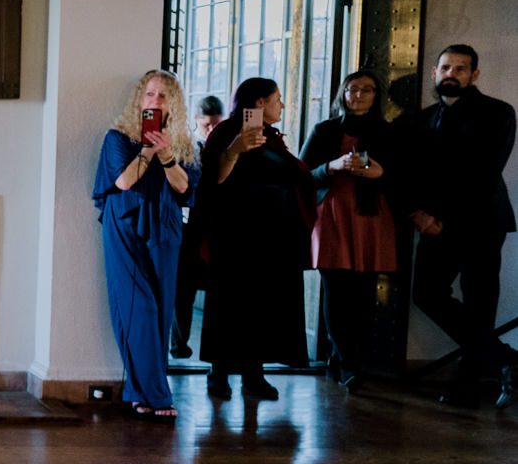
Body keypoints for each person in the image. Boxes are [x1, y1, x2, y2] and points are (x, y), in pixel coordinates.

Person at [408, 44, 517, 408]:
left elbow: (484, 170)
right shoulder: (421, 119)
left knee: (480, 302)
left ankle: (468, 386)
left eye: (460, 68)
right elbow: (411, 173)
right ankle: (505, 359)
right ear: (435, 72)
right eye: (445, 68)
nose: (451, 74)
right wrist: (417, 213)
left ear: (474, 75)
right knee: (426, 293)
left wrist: (440, 216)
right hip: (432, 223)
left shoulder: (498, 112)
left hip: (482, 221)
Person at [197, 77, 314, 401]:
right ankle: (219, 373)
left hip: (272, 237)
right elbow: (214, 180)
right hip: (235, 236)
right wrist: (235, 150)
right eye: (277, 99)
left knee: (263, 306)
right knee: (230, 304)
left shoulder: (270, 136)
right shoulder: (226, 132)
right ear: (259, 103)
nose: (282, 105)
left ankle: (254, 374)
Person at [92, 71, 200, 421]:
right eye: (150, 94)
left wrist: (166, 154)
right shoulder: (117, 137)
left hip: (165, 223)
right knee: (138, 308)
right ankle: (156, 393)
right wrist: (148, 151)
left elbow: (184, 187)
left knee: (162, 308)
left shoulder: (183, 143)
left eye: (163, 96)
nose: (155, 101)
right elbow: (123, 181)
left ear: (173, 105)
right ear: (139, 99)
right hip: (124, 221)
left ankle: (139, 393)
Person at [299, 70, 399, 392]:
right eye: (352, 89)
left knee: (365, 293)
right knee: (336, 289)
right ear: (342, 94)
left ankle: (349, 359)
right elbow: (302, 175)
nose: (358, 95)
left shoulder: (388, 132)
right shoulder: (325, 129)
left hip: (371, 216)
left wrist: (380, 174)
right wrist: (332, 166)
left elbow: (403, 178)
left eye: (367, 90)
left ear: (376, 96)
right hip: (333, 213)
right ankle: (347, 363)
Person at [171, 94, 223, 358]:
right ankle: (179, 344)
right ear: (196, 120)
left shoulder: (226, 147)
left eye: (216, 124)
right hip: (189, 225)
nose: (211, 130)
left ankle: (215, 354)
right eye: (206, 125)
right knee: (184, 289)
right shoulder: (188, 147)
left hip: (215, 226)